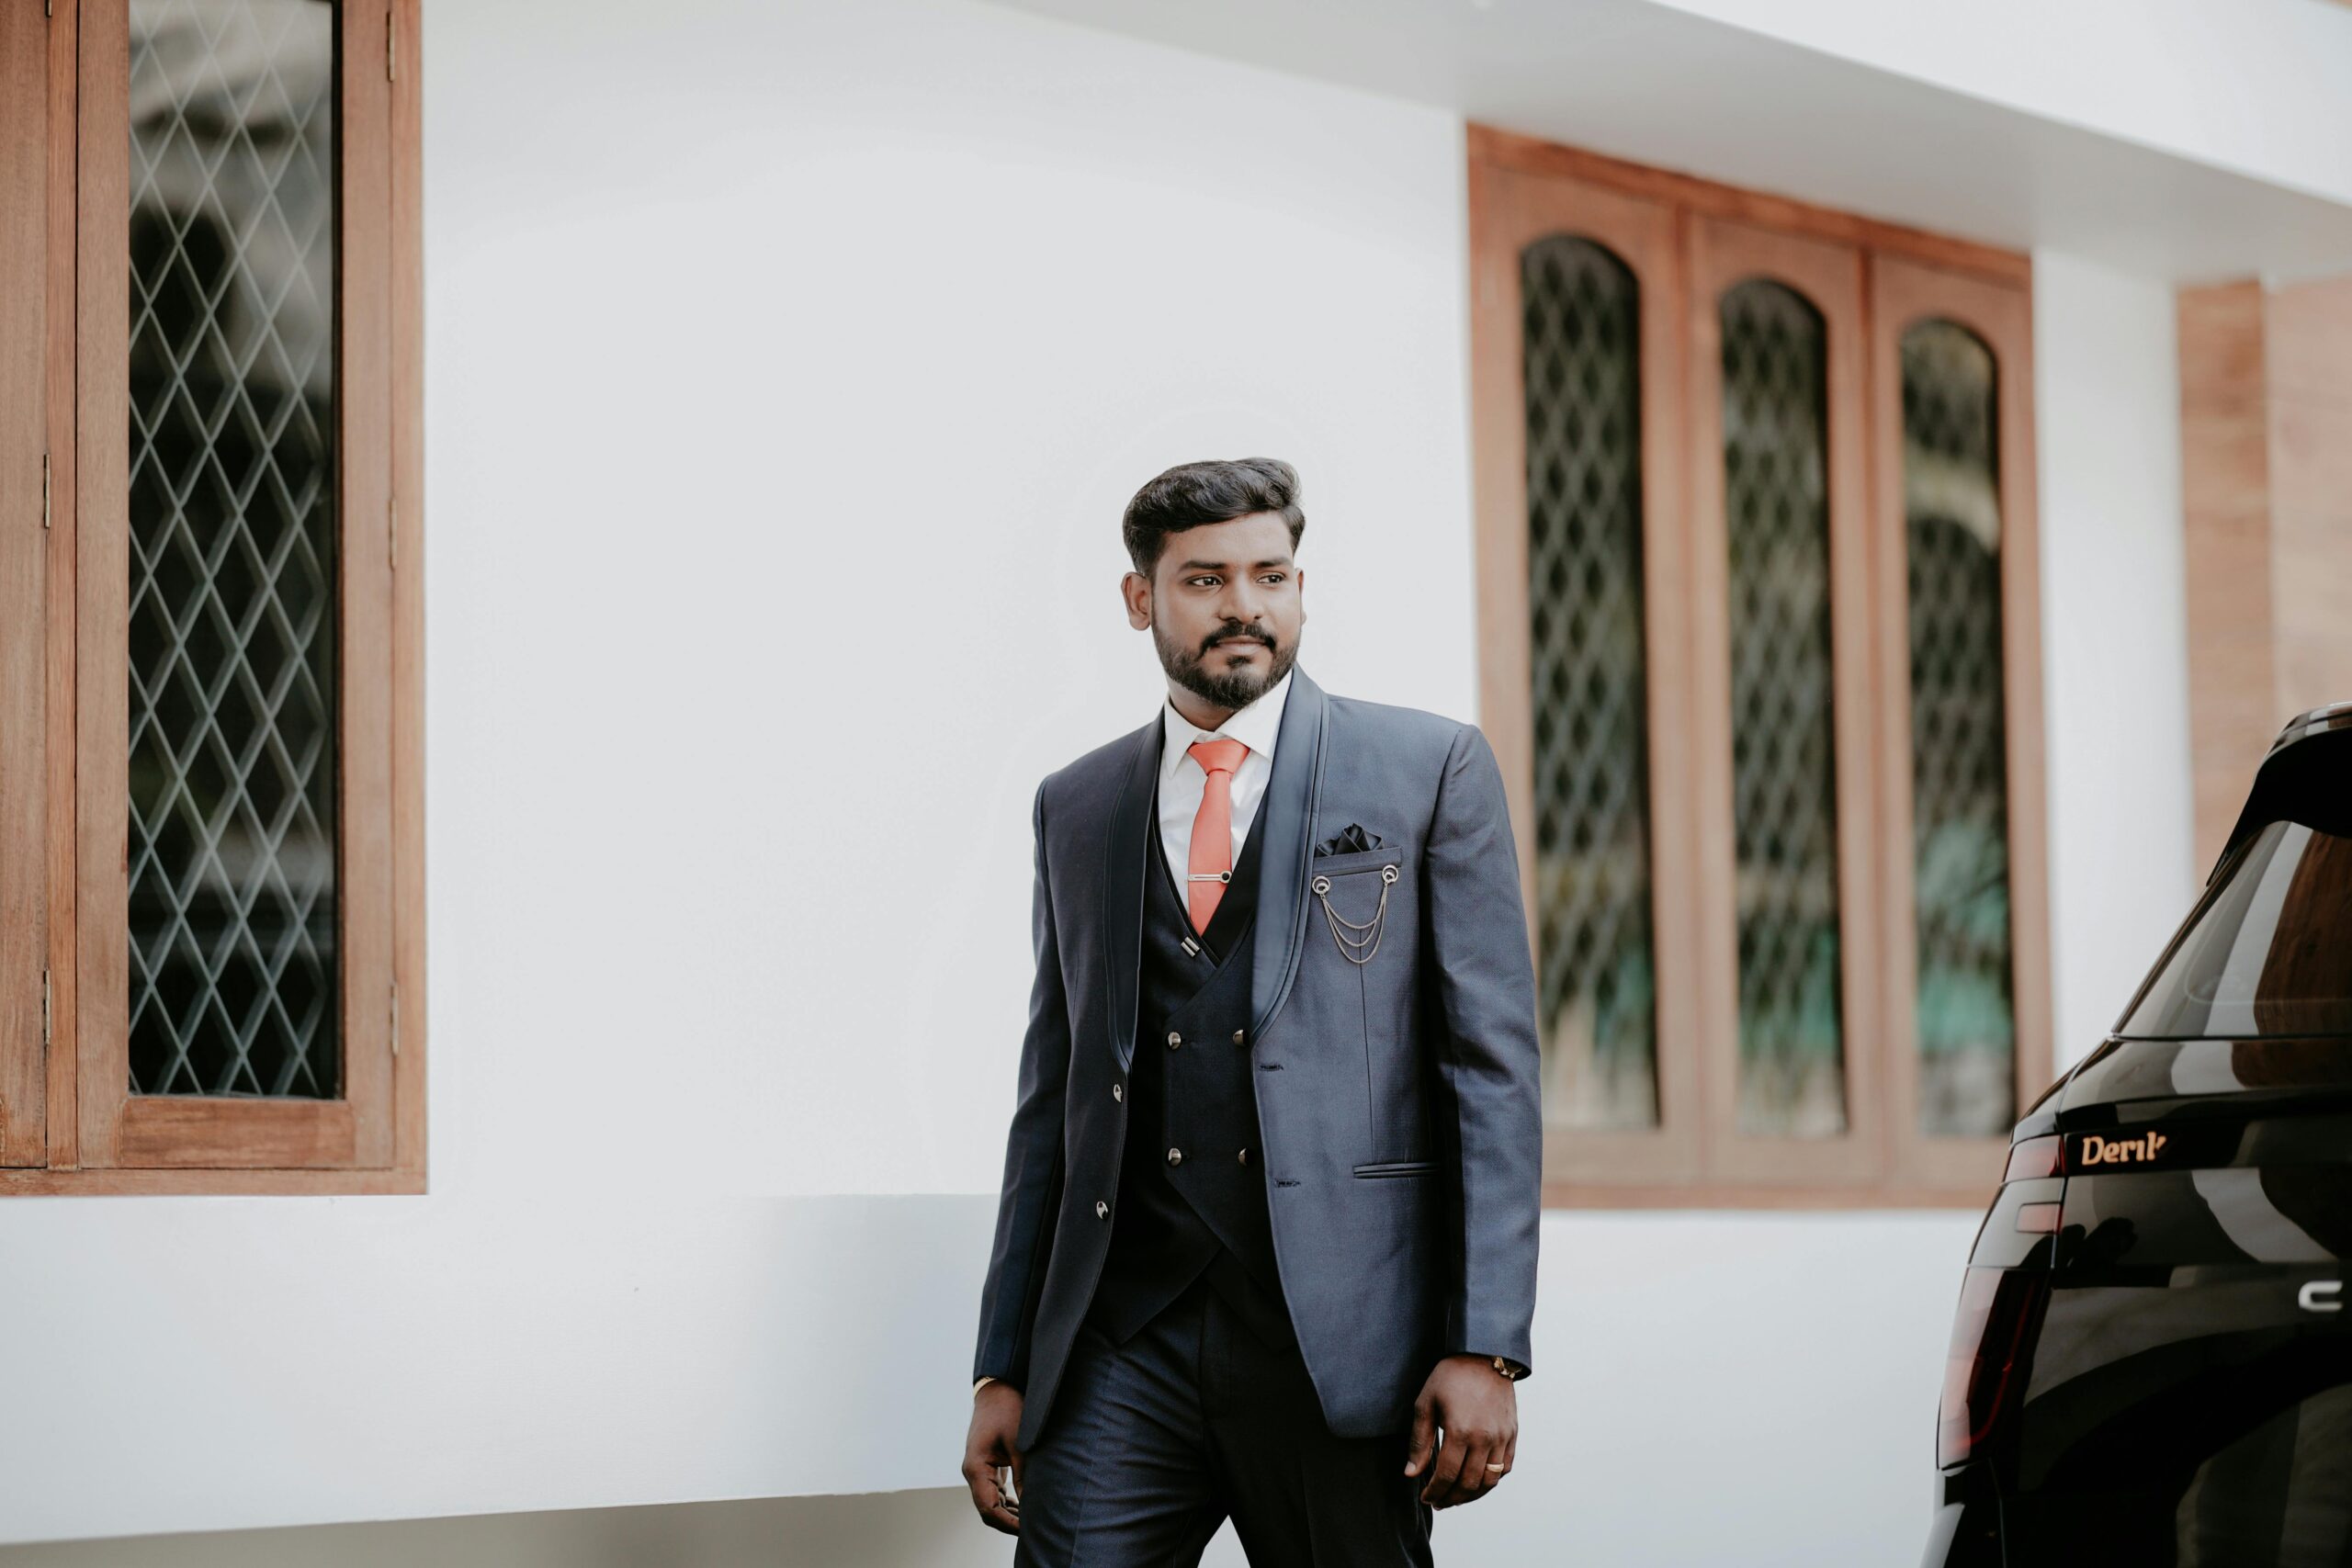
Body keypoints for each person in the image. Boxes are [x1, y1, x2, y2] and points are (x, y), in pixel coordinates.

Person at [961, 457, 1542, 1565]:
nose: (1244, 606)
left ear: (1300, 586)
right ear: (1141, 600)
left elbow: (1490, 1074)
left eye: (1270, 575)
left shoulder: (1426, 769)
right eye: (1205, 579)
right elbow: (1056, 1100)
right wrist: (1006, 1363)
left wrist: (1486, 1344)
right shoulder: (1076, 806)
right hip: (1122, 1343)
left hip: (1340, 1343)